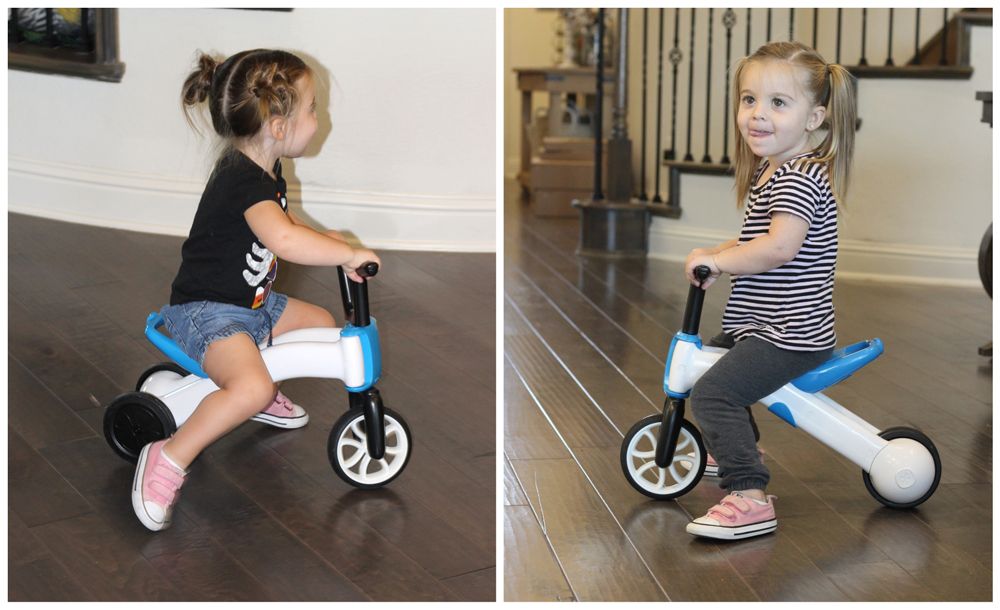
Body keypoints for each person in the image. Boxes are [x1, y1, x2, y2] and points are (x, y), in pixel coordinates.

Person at [132, 49, 380, 532]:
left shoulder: (263, 170)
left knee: (321, 325)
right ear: (279, 125)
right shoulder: (242, 182)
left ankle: (258, 397)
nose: (318, 118)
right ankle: (169, 455)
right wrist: (344, 255)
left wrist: (331, 242)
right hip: (207, 313)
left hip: (251, 306)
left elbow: (284, 226)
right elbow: (282, 238)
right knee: (251, 384)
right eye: (313, 109)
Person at [682, 41, 857, 541]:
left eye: (779, 103)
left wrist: (719, 260)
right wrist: (723, 250)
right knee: (709, 369)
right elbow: (760, 240)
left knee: (713, 390)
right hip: (763, 325)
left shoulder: (798, 177)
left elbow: (778, 249)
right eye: (749, 99)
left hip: (789, 333)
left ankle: (750, 494)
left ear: (814, 117)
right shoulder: (775, 167)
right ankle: (736, 445)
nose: (758, 115)